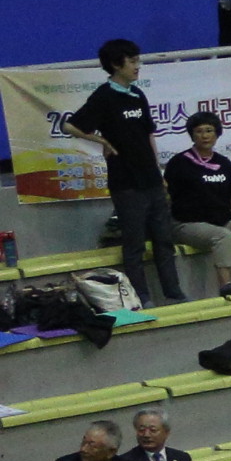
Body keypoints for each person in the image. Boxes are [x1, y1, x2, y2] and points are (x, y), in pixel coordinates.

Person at [66, 39, 174, 305]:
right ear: (116, 64)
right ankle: (142, 296)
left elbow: (149, 135)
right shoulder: (104, 96)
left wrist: (158, 170)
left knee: (163, 239)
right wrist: (101, 140)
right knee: (134, 243)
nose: (138, 66)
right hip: (126, 181)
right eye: (132, 61)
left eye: (138, 60)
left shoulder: (137, 94)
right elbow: (70, 126)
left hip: (151, 178)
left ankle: (174, 292)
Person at [163, 109, 231, 295]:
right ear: (192, 135)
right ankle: (226, 285)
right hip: (187, 224)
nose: (205, 136)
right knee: (223, 236)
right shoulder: (179, 162)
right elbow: (167, 193)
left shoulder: (225, 164)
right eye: (199, 131)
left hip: (220, 221)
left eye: (209, 131)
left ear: (217, 134)